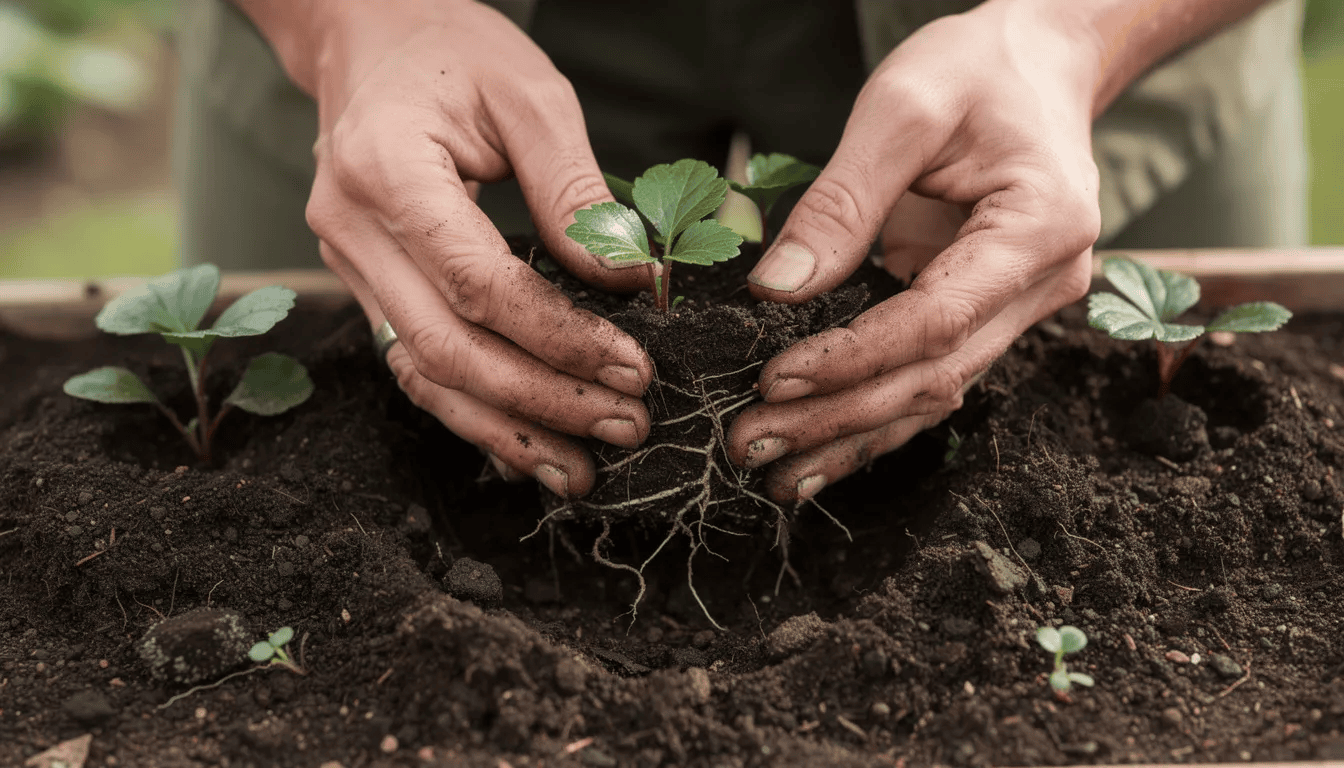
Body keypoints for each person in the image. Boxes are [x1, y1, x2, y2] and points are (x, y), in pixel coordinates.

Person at [178, 0, 1308, 501]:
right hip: (428, 32)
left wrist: (1080, 33)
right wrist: (339, 19)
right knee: (376, 401)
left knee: (1095, 440)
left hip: (1009, 33)